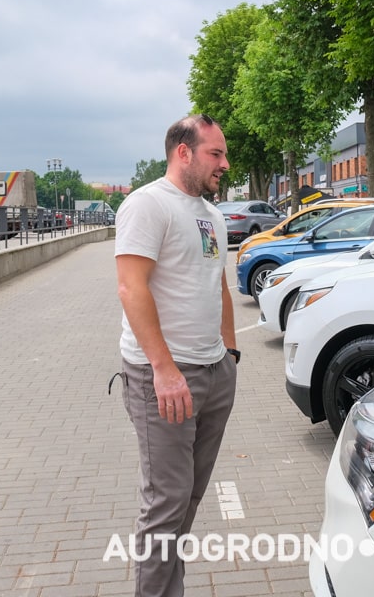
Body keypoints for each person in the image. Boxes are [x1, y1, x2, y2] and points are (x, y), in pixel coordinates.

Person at [115, 114, 239, 597]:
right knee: (165, 503)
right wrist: (165, 371)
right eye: (215, 153)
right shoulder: (147, 205)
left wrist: (231, 354)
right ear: (182, 152)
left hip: (214, 373)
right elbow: (131, 288)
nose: (224, 163)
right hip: (164, 378)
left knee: (187, 498)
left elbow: (219, 284)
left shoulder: (211, 213)